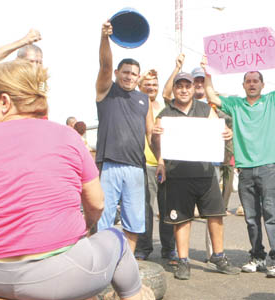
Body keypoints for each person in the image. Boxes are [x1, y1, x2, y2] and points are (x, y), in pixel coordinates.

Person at [0, 61, 151, 300]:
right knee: (116, 239)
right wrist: (85, 227)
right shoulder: (67, 136)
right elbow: (97, 203)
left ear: (5, 102)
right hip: (58, 275)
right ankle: (137, 295)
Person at [203, 41, 275, 278]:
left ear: (262, 85)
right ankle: (257, 256)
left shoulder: (271, 100)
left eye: (256, 81)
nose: (252, 84)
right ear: (243, 85)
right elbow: (210, 94)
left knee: (272, 215)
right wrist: (207, 71)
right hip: (244, 169)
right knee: (251, 218)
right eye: (248, 81)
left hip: (267, 168)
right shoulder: (235, 104)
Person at [151, 72, 239, 280]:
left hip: (205, 172)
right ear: (174, 89)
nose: (183, 89)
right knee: (182, 219)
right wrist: (158, 149)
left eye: (187, 86)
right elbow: (156, 144)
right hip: (178, 174)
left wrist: (227, 133)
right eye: (179, 86)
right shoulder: (165, 114)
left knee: (215, 214)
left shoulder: (206, 109)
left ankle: (218, 256)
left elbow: (221, 131)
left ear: (193, 88)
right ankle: (183, 261)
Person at [95, 21, 153, 253]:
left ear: (139, 77)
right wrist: (104, 38)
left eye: (134, 74)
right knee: (102, 222)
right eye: (125, 73)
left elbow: (151, 135)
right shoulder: (106, 90)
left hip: (136, 169)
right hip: (109, 166)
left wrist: (161, 162)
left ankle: (127, 262)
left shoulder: (144, 100)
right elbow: (105, 65)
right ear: (118, 73)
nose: (129, 77)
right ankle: (100, 264)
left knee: (134, 222)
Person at [134, 69, 178, 263]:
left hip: (166, 164)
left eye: (154, 85)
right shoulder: (136, 105)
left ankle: (168, 248)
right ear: (139, 86)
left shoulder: (164, 106)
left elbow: (168, 91)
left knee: (168, 208)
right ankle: (144, 247)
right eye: (147, 85)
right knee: (147, 209)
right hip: (146, 164)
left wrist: (176, 68)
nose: (151, 88)